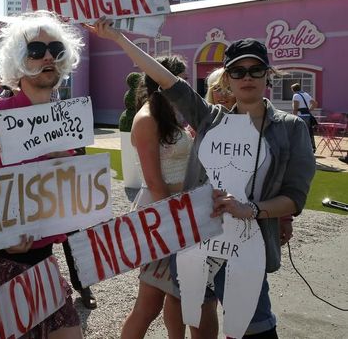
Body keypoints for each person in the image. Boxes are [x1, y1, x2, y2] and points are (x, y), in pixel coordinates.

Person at [88, 20, 315, 338]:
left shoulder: (291, 129)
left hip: (246, 248)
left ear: (268, 74)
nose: (246, 77)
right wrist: (117, 37)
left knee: (254, 326)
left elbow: (295, 195)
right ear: (227, 79)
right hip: (195, 245)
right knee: (199, 320)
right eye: (238, 71)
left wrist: (251, 209)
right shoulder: (210, 118)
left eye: (255, 70)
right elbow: (166, 80)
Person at [0, 11, 86, 338]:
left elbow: (68, 202)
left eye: (56, 48)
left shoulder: (69, 122)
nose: (48, 57)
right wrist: (2, 236)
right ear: (18, 61)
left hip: (43, 264)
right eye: (36, 50)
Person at [120, 56, 218, 339]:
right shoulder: (147, 118)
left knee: (177, 296)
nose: (185, 83)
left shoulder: (173, 113)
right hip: (162, 216)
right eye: (179, 76)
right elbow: (154, 181)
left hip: (183, 211)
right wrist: (179, 225)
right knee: (148, 303)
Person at [291, 82, 317, 153]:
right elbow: (315, 103)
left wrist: (293, 117)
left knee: (299, 133)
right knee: (309, 132)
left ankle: (300, 149)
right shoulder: (306, 94)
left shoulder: (296, 95)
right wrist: (309, 110)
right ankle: (312, 148)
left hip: (300, 116)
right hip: (307, 116)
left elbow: (295, 108)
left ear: (293, 90)